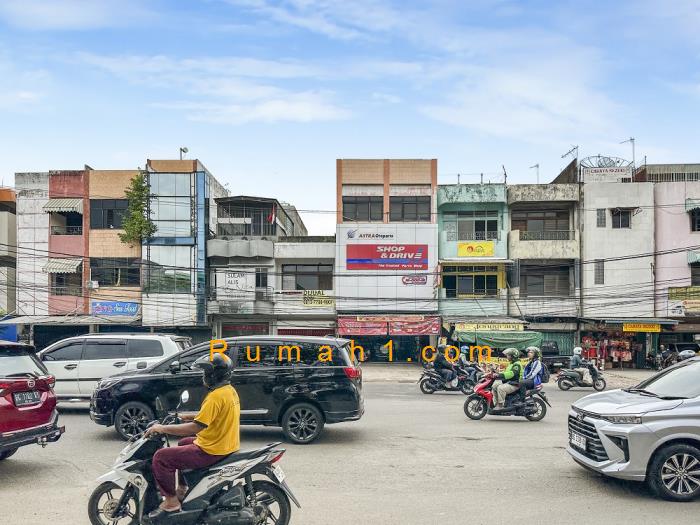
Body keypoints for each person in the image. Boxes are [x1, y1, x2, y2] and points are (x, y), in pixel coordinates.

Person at [144, 353, 240, 521]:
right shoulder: (229, 391)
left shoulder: (215, 397)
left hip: (212, 450)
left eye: (205, 373)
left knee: (161, 457)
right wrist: (189, 416)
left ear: (213, 375)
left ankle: (172, 502)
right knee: (182, 444)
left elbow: (196, 427)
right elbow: (212, 416)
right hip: (224, 444)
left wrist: (162, 428)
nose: (203, 377)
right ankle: (182, 488)